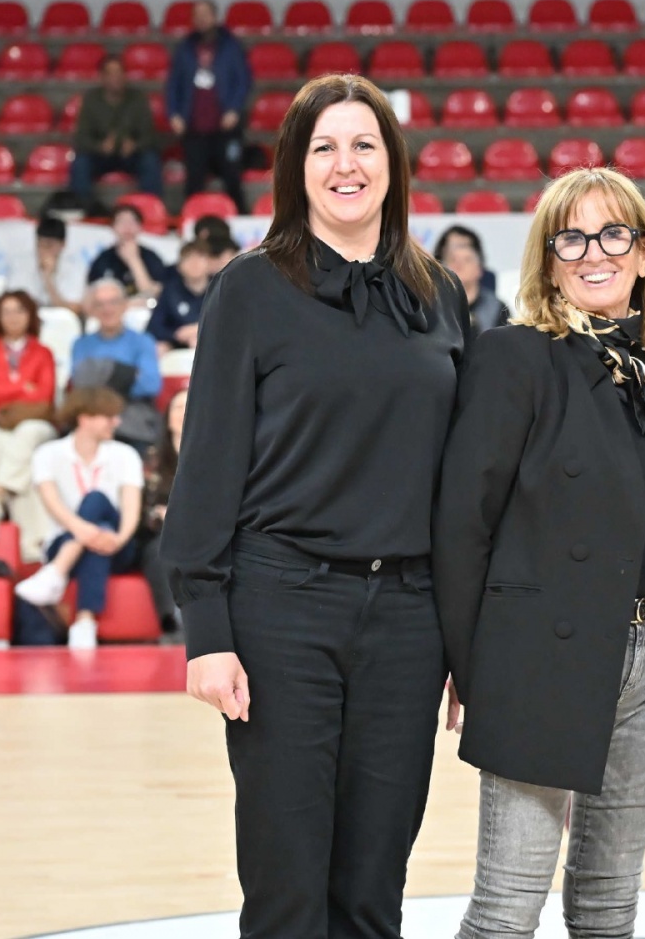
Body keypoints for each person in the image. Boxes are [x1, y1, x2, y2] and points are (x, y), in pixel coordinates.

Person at [161, 74, 469, 939]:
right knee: (288, 887)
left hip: (409, 620)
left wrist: (467, 638)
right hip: (280, 610)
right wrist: (207, 630)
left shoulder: (439, 294)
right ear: (295, 167)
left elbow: (462, 484)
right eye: (324, 147)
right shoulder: (249, 289)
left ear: (392, 163)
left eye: (364, 145)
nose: (346, 164)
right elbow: (208, 464)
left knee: (372, 891)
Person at [434, 168, 645, 939]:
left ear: (643, 255)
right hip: (534, 657)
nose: (594, 253)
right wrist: (469, 667)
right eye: (571, 239)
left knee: (609, 905)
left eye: (614, 233)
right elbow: (463, 524)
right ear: (548, 262)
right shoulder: (514, 356)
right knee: (506, 909)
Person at [13, 387, 145, 650]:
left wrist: (118, 540)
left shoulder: (125, 454)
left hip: (118, 544)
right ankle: (85, 622)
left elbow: (132, 509)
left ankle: (56, 573)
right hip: (63, 539)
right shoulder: (47, 453)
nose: (116, 422)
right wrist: (86, 534)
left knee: (96, 500)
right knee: (96, 534)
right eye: (109, 417)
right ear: (85, 418)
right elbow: (52, 504)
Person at [0, 291, 58, 562]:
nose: (13, 317)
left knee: (27, 434)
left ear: (30, 315)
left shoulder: (43, 353)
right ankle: (32, 547)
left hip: (37, 425)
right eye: (6, 311)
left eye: (19, 310)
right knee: (23, 464)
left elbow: (44, 395)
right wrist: (22, 387)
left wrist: (2, 388)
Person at [166, 0, 251, 214]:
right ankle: (191, 221)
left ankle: (242, 221)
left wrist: (234, 109)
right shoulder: (185, 47)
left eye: (205, 14)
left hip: (225, 127)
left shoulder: (231, 45)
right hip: (194, 127)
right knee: (194, 181)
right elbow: (173, 83)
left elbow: (243, 80)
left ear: (215, 17)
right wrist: (174, 113)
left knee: (232, 177)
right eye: (197, 15)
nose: (201, 19)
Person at [72, 280, 162, 451]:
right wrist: (129, 374)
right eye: (100, 304)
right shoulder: (81, 344)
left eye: (113, 302)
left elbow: (150, 385)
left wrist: (100, 372)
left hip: (132, 418)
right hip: (92, 419)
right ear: (92, 309)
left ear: (125, 305)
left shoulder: (143, 342)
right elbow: (81, 384)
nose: (107, 309)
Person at [69, 55, 163, 201]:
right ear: (102, 77)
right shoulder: (91, 99)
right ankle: (82, 207)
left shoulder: (138, 98)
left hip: (131, 155)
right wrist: (100, 147)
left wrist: (135, 145)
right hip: (101, 156)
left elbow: (150, 136)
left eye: (120, 72)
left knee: (150, 160)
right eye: (111, 74)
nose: (116, 78)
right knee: (80, 163)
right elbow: (81, 139)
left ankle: (151, 205)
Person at [139, 388, 187, 642]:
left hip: (208, 531)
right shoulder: (153, 458)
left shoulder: (219, 455)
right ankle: (173, 621)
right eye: (178, 407)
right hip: (162, 532)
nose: (185, 412)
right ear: (167, 417)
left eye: (191, 405)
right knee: (159, 550)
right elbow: (145, 507)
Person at [433, 225, 509, 334]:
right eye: (453, 259)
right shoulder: (431, 306)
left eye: (467, 260)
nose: (459, 265)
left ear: (479, 269)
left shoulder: (497, 308)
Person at [86, 203, 167, 298]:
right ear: (113, 227)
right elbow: (93, 294)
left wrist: (134, 260)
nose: (127, 227)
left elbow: (155, 293)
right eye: (122, 222)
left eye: (132, 222)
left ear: (140, 227)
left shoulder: (151, 257)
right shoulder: (103, 259)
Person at [147, 242, 211, 353]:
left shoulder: (222, 289)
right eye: (188, 259)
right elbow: (154, 327)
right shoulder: (170, 290)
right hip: (177, 346)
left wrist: (197, 329)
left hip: (213, 344)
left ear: (209, 263)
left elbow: (231, 323)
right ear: (179, 266)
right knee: (158, 348)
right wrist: (176, 334)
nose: (194, 264)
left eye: (200, 258)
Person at [16, 215, 83, 314]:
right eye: (40, 244)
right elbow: (14, 304)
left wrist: (48, 278)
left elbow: (73, 311)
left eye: (49, 245)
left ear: (63, 245)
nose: (43, 250)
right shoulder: (22, 265)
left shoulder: (74, 269)